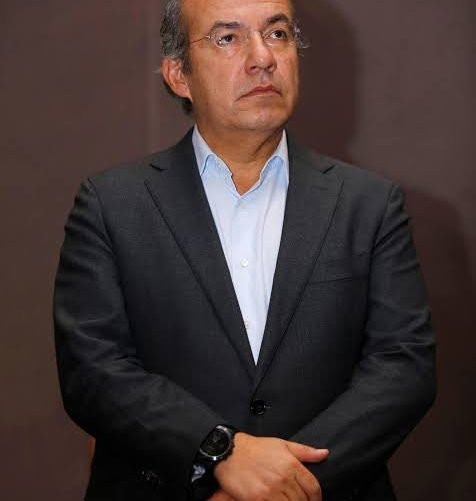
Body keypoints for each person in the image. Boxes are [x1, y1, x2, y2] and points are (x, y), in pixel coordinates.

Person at [53, 0, 436, 500]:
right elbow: (94, 370)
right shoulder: (111, 204)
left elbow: (403, 366)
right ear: (178, 75)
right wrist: (218, 451)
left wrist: (287, 486)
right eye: (229, 38)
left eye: (277, 33)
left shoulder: (369, 204)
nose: (263, 58)